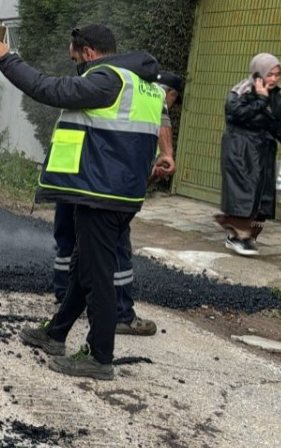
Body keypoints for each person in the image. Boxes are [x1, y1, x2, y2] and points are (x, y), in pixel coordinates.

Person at [0, 24, 168, 380]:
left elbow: (48, 89)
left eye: (76, 61)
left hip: (103, 193)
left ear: (88, 52)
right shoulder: (144, 85)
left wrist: (7, 60)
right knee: (86, 265)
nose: (78, 69)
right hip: (119, 191)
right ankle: (55, 333)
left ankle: (99, 357)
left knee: (95, 275)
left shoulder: (107, 81)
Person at [50, 71, 184, 338]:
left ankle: (65, 299)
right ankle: (120, 313)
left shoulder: (93, 84)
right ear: (170, 94)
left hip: (69, 176)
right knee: (116, 246)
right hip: (106, 190)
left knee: (74, 242)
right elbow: (134, 156)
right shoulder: (147, 98)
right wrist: (163, 159)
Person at [215, 54, 281, 256]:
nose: (274, 79)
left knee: (262, 197)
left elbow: (276, 126)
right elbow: (236, 114)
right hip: (240, 149)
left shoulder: (277, 98)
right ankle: (240, 235)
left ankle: (244, 236)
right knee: (244, 192)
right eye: (269, 74)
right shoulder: (241, 91)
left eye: (278, 74)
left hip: (263, 150)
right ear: (259, 73)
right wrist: (261, 99)